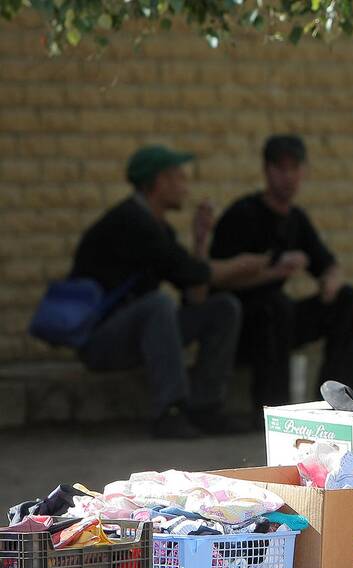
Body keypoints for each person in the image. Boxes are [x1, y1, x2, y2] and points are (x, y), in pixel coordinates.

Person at [69, 145, 265, 439]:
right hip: (100, 342)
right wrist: (245, 265)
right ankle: (169, 412)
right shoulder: (131, 223)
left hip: (137, 336)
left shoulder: (158, 228)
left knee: (223, 307)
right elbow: (201, 274)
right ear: (159, 182)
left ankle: (206, 407)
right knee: (158, 304)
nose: (186, 188)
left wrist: (200, 240)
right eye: (180, 179)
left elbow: (195, 293)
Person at [210, 135, 353, 416]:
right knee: (276, 305)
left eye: (294, 169)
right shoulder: (243, 214)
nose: (288, 177)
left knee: (348, 300)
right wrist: (272, 272)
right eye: (281, 169)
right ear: (267, 171)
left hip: (281, 322)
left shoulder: (296, 219)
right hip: (242, 328)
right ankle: (273, 410)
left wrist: (330, 283)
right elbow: (215, 281)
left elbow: (329, 265)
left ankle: (337, 404)